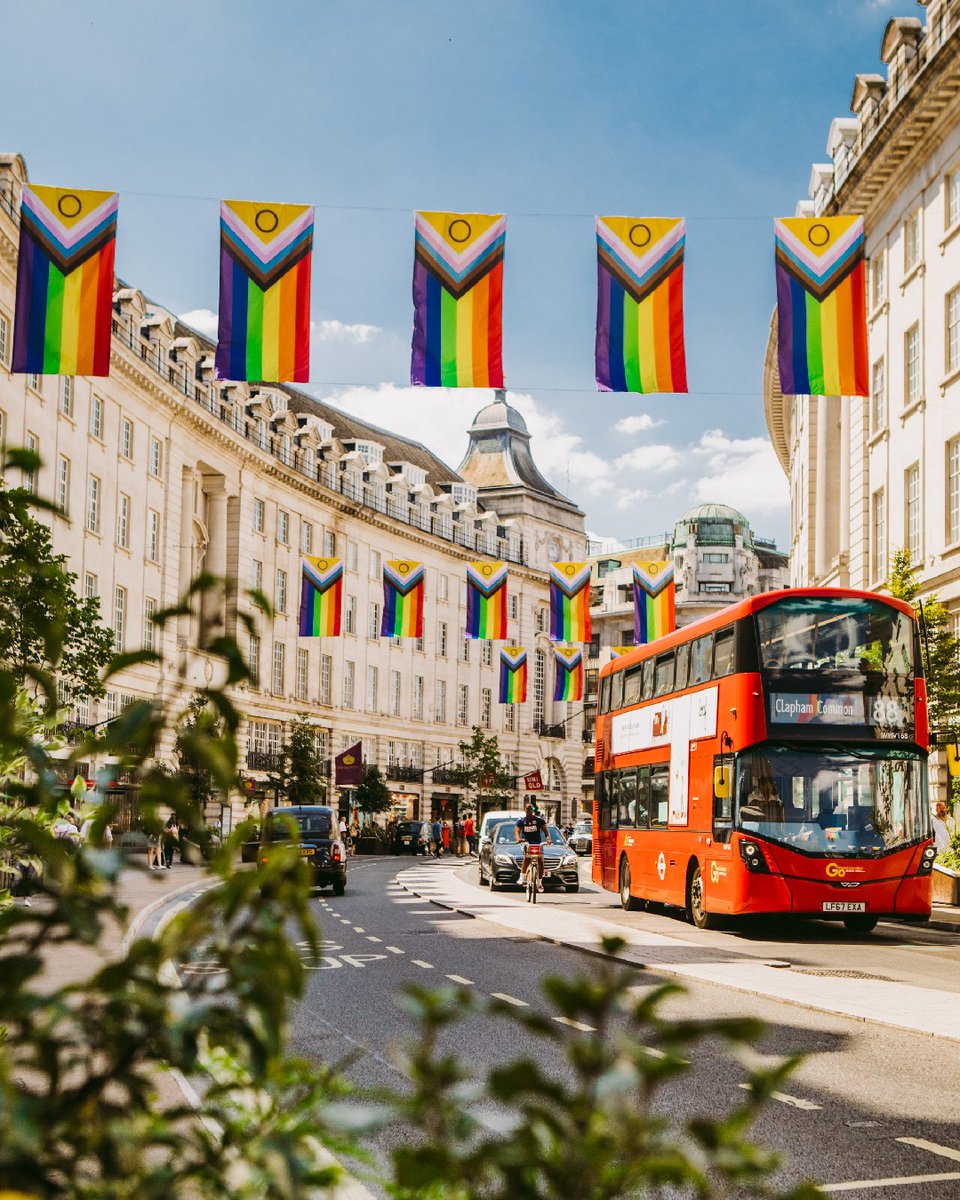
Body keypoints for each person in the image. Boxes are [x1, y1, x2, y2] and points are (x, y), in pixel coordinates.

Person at [515, 804, 549, 892]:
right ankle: (522, 877)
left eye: (531, 809)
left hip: (537, 843)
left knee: (540, 861)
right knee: (527, 857)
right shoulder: (521, 821)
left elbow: (546, 831)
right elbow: (517, 831)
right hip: (526, 842)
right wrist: (518, 839)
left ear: (533, 810)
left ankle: (540, 883)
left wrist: (548, 838)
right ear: (525, 810)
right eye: (527, 809)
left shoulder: (539, 820)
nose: (529, 811)